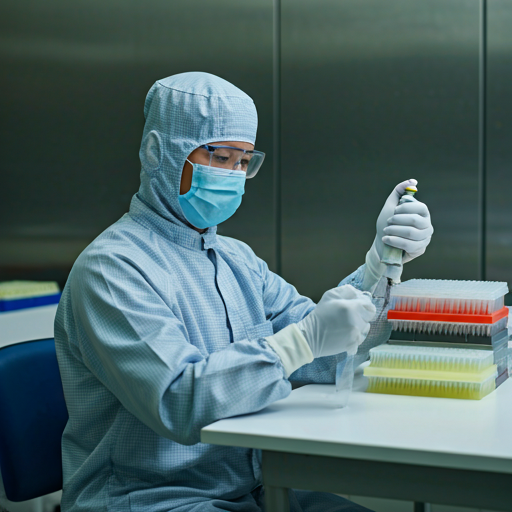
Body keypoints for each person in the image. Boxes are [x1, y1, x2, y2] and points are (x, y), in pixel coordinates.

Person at [54, 72, 433, 512]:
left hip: (253, 487)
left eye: (244, 162)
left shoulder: (236, 259)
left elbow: (326, 353)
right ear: (160, 152)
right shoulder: (113, 269)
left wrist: (380, 265)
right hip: (154, 499)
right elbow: (180, 400)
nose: (234, 175)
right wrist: (301, 341)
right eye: (221, 157)